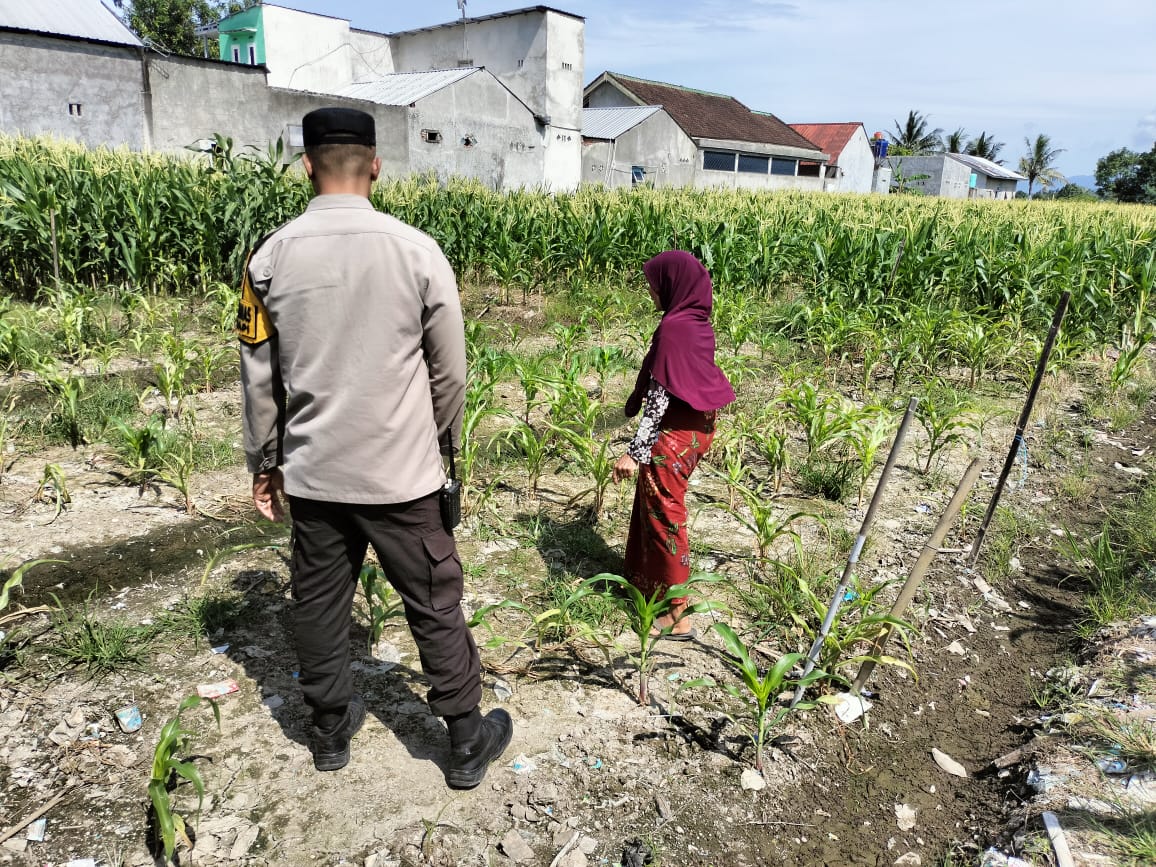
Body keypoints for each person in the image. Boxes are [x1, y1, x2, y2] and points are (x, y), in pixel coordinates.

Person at [237, 106, 511, 785]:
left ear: (306, 165)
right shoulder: (417, 251)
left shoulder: (268, 258)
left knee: (318, 601)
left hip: (315, 475)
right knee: (432, 601)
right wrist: (429, 438)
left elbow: (258, 376)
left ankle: (329, 731)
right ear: (376, 164)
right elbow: (451, 371)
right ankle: (466, 741)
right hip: (402, 476)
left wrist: (265, 462)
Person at [612, 251, 736, 639]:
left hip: (675, 434)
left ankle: (676, 612)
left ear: (672, 284)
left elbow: (659, 395)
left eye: (654, 283)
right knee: (653, 504)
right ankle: (644, 583)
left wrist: (634, 451)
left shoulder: (674, 329)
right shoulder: (697, 322)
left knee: (665, 513)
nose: (651, 290)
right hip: (698, 427)